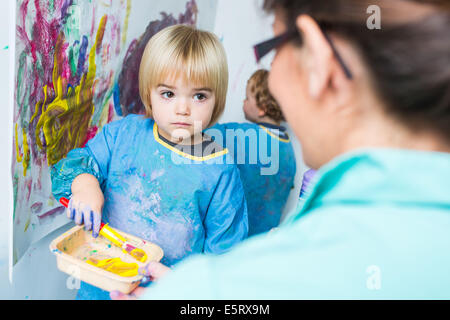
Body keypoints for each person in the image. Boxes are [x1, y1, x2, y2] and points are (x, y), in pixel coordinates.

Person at [113, 0, 450, 299]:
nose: (272, 81)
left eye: (270, 52)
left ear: (320, 61)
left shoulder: (223, 287)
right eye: (168, 94)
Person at [51, 25, 248, 300]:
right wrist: (86, 187)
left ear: (217, 100)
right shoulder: (122, 135)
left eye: (199, 96)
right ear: (149, 92)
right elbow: (70, 168)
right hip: (98, 289)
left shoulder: (221, 172)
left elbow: (225, 264)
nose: (183, 108)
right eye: (168, 93)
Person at [206, 69, 296, 236]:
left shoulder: (247, 136)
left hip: (236, 234)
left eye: (247, 98)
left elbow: (210, 134)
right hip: (264, 237)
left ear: (262, 108)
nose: (244, 102)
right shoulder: (289, 150)